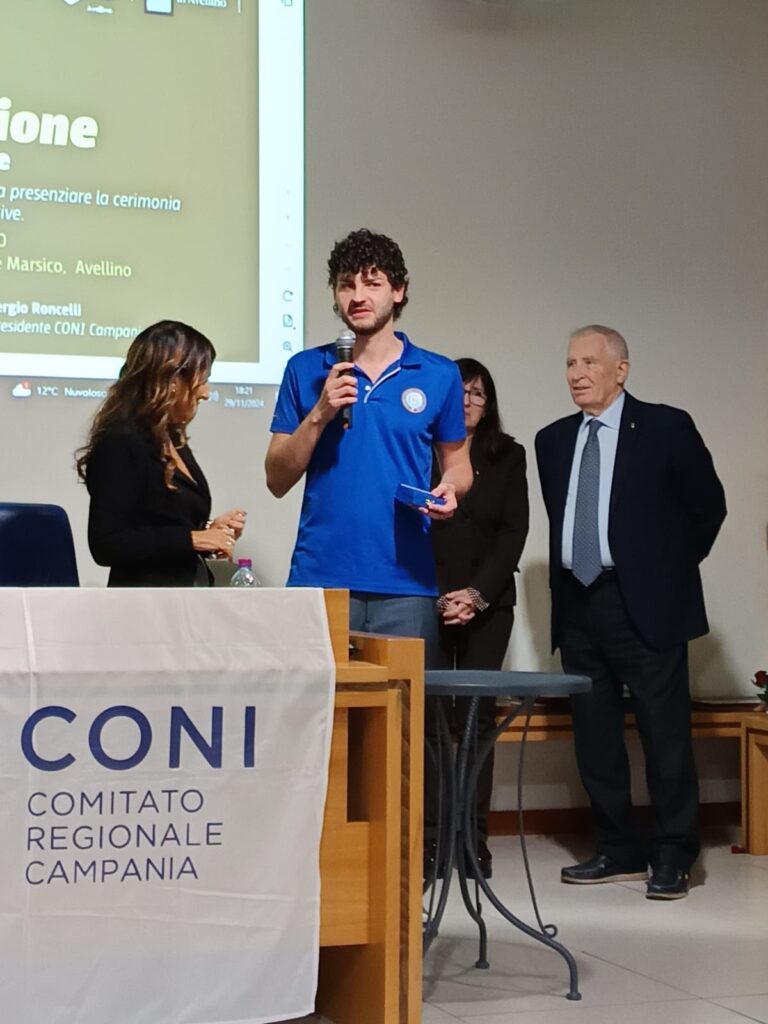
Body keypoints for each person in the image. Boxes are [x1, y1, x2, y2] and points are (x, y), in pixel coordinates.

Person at [535, 325, 726, 900]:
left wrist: (663, 571)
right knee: (594, 738)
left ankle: (673, 854)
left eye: (589, 362)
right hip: (578, 602)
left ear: (621, 370)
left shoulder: (667, 427)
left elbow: (708, 508)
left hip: (645, 603)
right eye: (570, 363)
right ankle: (617, 848)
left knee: (664, 736)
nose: (576, 374)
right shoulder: (552, 440)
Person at [265, 227, 472, 660]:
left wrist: (450, 489)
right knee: (321, 703)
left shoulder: (438, 374)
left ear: (398, 291)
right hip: (320, 576)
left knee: (402, 702)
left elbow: (458, 464)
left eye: (372, 283)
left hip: (406, 582)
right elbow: (277, 478)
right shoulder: (306, 369)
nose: (357, 296)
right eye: (346, 285)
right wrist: (320, 412)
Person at [429, 358, 529, 878]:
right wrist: (440, 596)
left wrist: (474, 595)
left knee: (476, 719)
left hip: (488, 605)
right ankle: (430, 839)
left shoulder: (508, 455)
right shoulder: (419, 446)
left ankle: (474, 838)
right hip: (424, 599)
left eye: (477, 394)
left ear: (488, 405)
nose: (467, 402)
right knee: (428, 721)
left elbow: (514, 532)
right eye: (459, 392)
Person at [77, 319, 246, 586]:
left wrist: (209, 533)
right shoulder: (120, 442)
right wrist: (193, 539)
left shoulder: (172, 440)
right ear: (173, 380)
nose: (206, 393)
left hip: (186, 596)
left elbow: (161, 525)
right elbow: (107, 543)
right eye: (203, 379)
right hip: (145, 603)